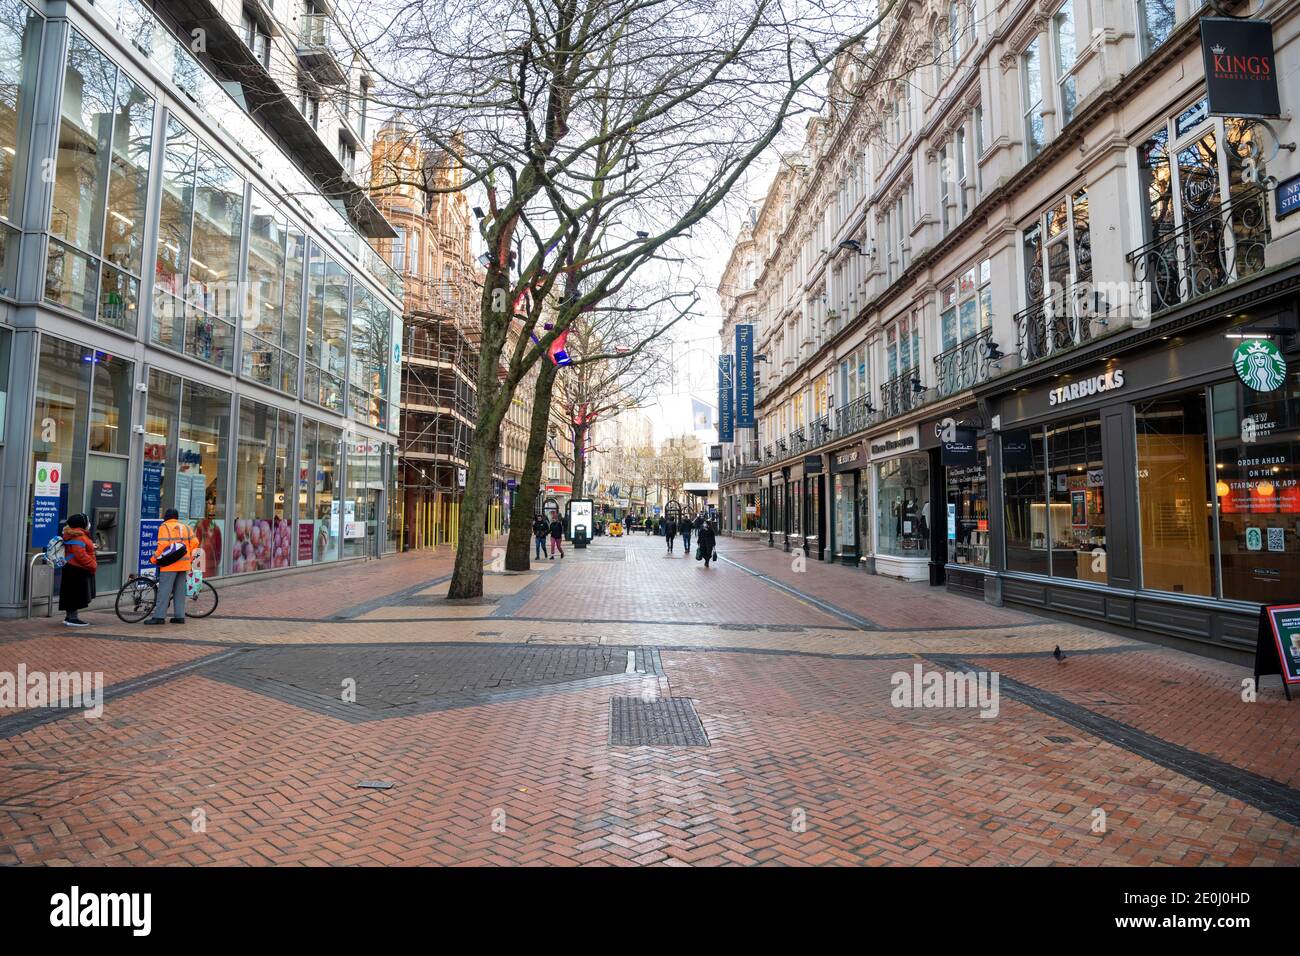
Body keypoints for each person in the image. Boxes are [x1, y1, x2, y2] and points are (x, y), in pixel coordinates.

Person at [147, 508, 198, 625]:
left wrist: (153, 559)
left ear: (166, 517)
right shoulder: (185, 527)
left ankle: (159, 617)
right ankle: (179, 616)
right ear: (176, 517)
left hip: (169, 564)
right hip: (184, 564)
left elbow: (163, 545)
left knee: (164, 591)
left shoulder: (164, 527)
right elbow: (195, 542)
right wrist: (189, 558)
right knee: (179, 592)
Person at [58, 514, 97, 627]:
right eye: (87, 521)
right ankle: (72, 619)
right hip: (77, 569)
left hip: (71, 568)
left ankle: (70, 617)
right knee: (75, 595)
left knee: (71, 594)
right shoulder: (79, 536)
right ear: (82, 524)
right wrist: (93, 564)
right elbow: (80, 555)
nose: (89, 524)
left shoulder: (73, 534)